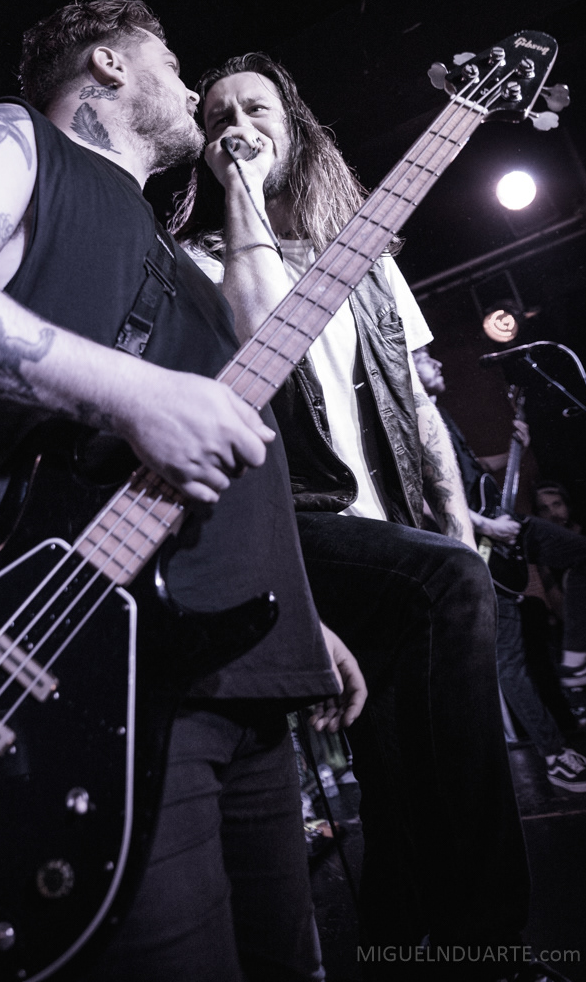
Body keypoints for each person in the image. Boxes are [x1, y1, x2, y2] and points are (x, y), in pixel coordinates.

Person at [0, 0, 365, 982]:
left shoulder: (182, 262)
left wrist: (300, 615)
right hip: (93, 679)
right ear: (110, 63)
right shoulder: (17, 142)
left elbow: (241, 434)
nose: (193, 88)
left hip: (243, 666)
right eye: (171, 61)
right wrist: (133, 392)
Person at [174, 51, 559, 981]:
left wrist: (455, 526)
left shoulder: (367, 260)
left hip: (397, 537)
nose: (237, 126)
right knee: (431, 679)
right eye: (218, 116)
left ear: (296, 127)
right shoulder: (199, 261)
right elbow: (262, 335)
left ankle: (404, 939)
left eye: (256, 109)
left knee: (397, 757)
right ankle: (494, 944)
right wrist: (242, 193)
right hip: (299, 530)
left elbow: (419, 410)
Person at [413, 346, 586, 793]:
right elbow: (422, 499)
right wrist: (486, 526)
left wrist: (514, 449)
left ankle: (576, 656)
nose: (438, 362)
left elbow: (472, 473)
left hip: (501, 530)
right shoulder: (411, 420)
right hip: (476, 543)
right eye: (424, 357)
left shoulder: (441, 416)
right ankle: (555, 755)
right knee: (510, 661)